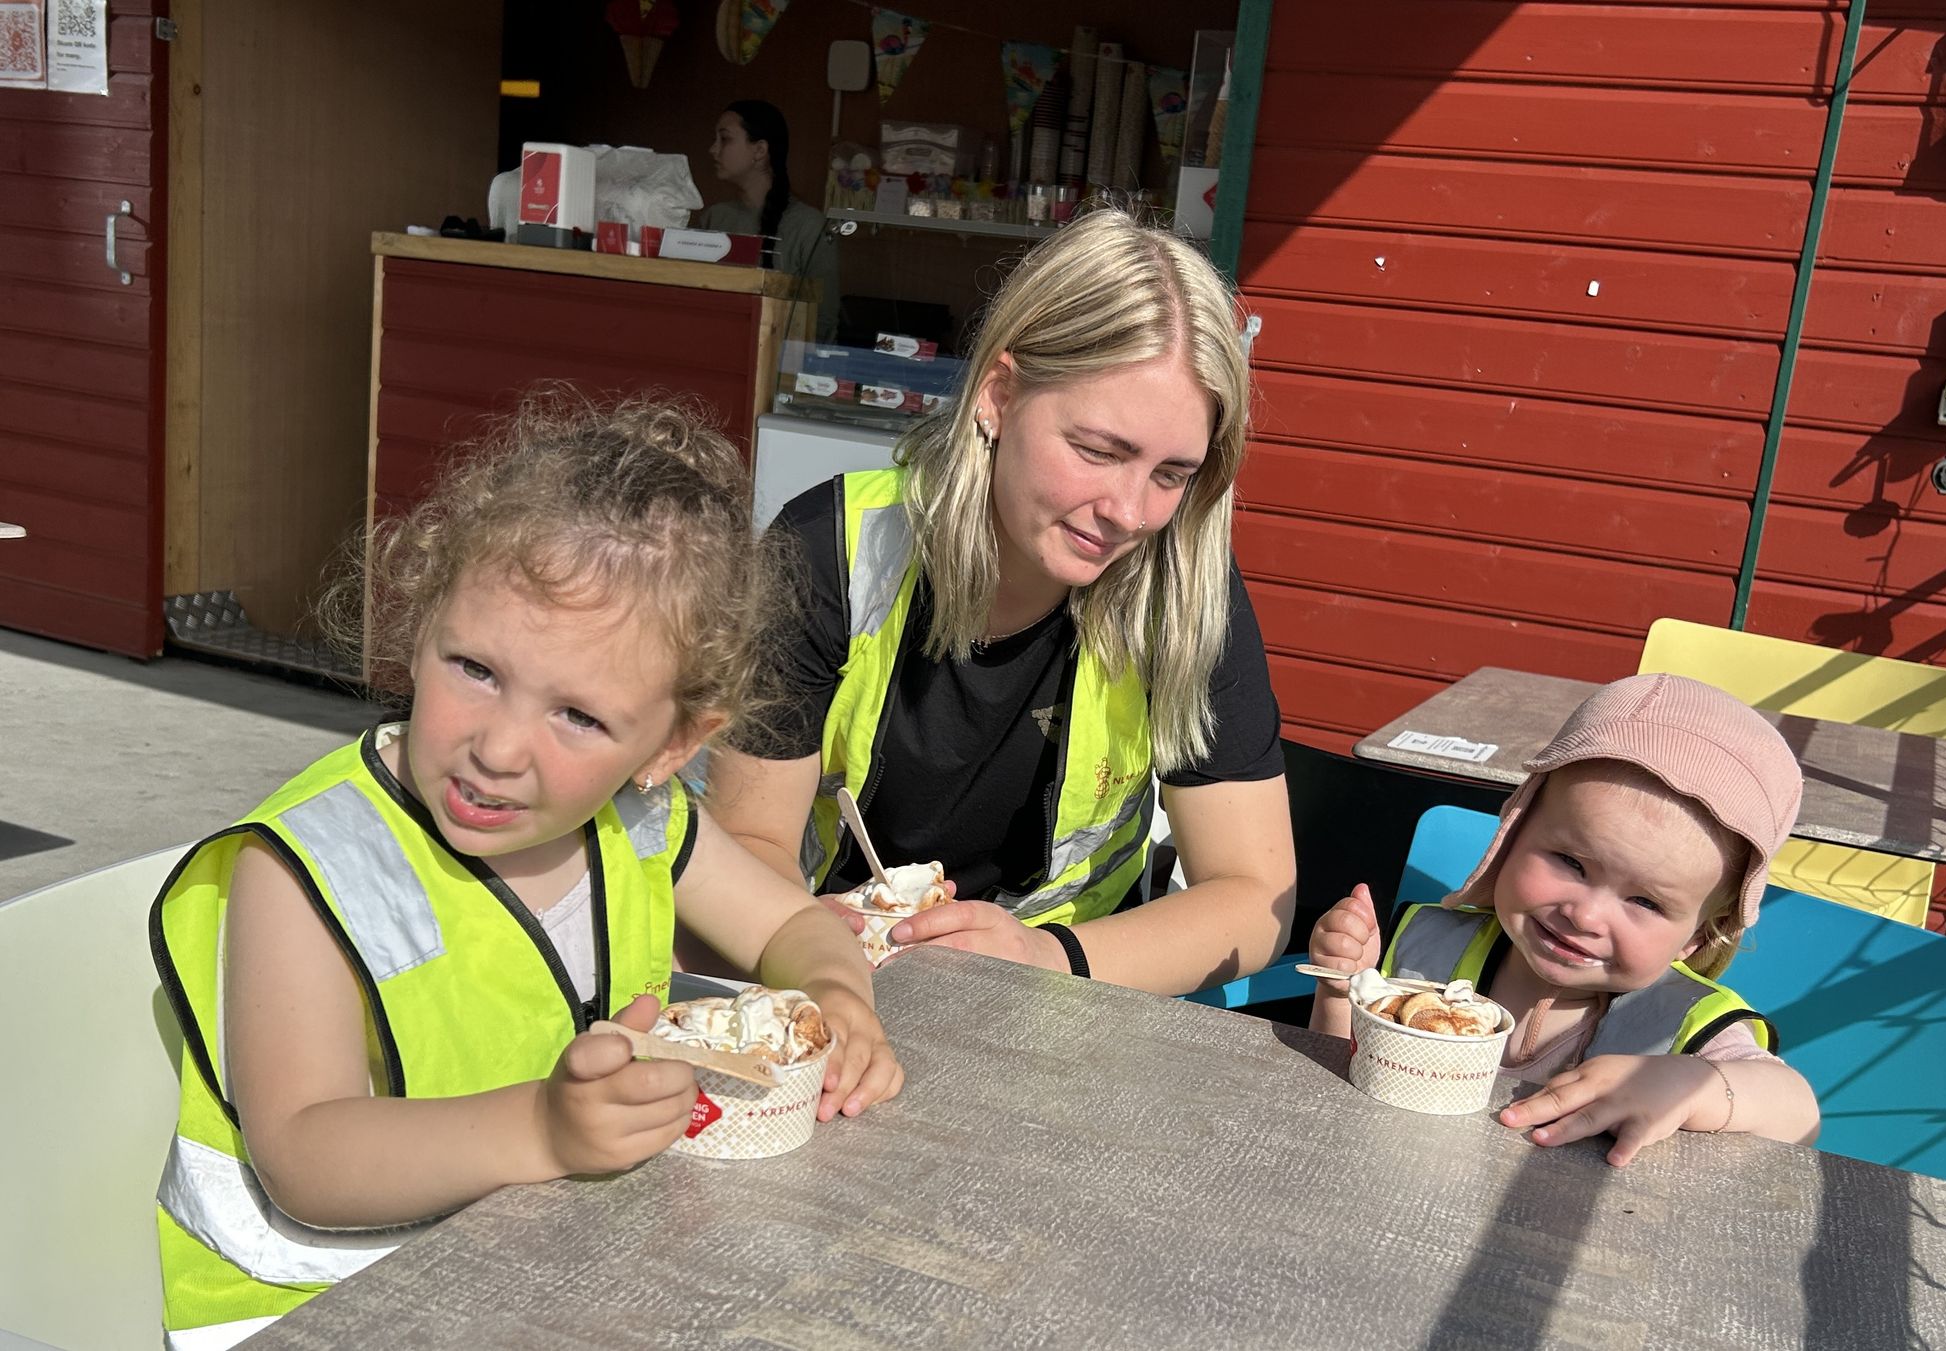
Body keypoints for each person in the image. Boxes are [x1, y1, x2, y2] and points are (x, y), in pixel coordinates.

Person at [149, 394, 901, 1348]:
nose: (499, 748)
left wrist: (841, 1000)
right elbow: (304, 1151)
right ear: (420, 627)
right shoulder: (305, 869)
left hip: (527, 1271)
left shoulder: (640, 820)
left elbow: (789, 926)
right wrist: (545, 1130)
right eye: (475, 668)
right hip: (307, 1309)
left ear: (672, 744)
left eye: (579, 717)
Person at [705, 209, 1296, 995]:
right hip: (824, 984)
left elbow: (1256, 898)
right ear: (998, 395)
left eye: (1170, 474)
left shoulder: (1183, 585)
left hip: (1070, 1007)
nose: (1129, 511)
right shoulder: (827, 551)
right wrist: (821, 948)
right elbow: (745, 840)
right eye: (1097, 450)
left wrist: (1045, 959)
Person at [1309, 673, 1822, 1166]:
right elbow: (1336, 1087)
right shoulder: (1426, 948)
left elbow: (1800, 1115)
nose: (1586, 915)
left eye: (1646, 903)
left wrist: (1690, 1085)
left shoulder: (1684, 1024)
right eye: (1571, 863)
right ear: (1511, 836)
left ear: (1697, 936)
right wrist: (1340, 989)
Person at [701, 98, 839, 342]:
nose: (713, 149)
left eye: (725, 139)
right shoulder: (714, 217)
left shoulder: (810, 225)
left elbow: (823, 321)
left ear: (760, 150)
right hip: (714, 353)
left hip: (780, 366)